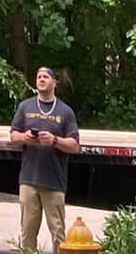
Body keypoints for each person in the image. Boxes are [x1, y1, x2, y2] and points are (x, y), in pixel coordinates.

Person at [9, 65, 80, 254]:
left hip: (54, 181)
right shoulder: (26, 107)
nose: (41, 79)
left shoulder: (65, 112)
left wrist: (54, 140)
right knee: (27, 233)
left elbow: (74, 145)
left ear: (54, 82)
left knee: (58, 233)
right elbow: (13, 136)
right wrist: (24, 137)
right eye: (38, 76)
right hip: (28, 180)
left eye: (45, 77)